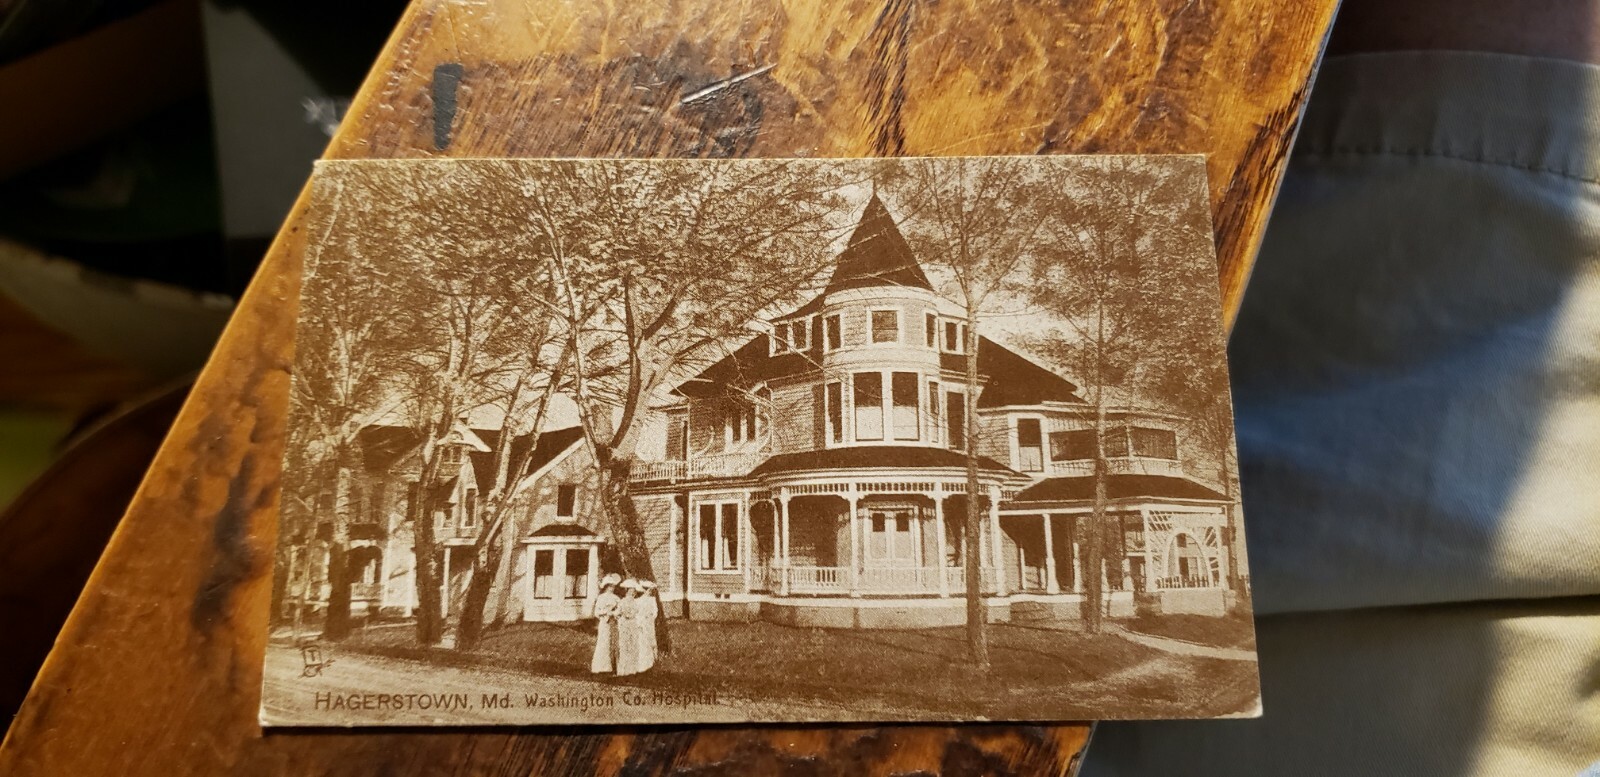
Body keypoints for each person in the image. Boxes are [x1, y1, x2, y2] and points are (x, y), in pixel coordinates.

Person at [589, 573, 621, 674]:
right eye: (610, 586)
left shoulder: (616, 598)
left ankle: (613, 666)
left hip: (613, 623)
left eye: (613, 586)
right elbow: (596, 613)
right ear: (606, 587)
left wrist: (614, 613)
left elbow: (620, 611)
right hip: (604, 623)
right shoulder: (601, 598)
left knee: (613, 643)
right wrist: (605, 612)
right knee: (603, 643)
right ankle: (602, 666)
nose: (612, 588)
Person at [614, 578, 641, 676]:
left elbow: (638, 613)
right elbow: (617, 613)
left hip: (630, 623)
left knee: (631, 645)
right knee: (626, 645)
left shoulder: (634, 602)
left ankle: (630, 669)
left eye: (633, 591)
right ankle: (625, 670)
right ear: (627, 591)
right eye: (630, 591)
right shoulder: (625, 602)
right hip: (627, 624)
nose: (632, 593)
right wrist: (618, 615)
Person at [631, 580, 660, 674]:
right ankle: (642, 664)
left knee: (651, 640)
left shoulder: (652, 600)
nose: (649, 592)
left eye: (650, 590)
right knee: (642, 641)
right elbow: (636, 613)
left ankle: (652, 662)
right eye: (647, 590)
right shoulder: (638, 601)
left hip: (649, 622)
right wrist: (640, 622)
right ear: (644, 590)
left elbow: (655, 611)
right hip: (642, 622)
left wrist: (651, 616)